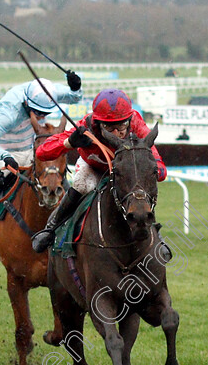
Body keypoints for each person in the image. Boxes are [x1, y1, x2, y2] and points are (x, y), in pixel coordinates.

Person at [31, 88, 167, 253]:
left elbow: (159, 167)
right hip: (94, 167)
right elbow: (42, 152)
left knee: (140, 190)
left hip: (124, 171)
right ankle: (51, 229)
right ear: (98, 123)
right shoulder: (86, 125)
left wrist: (153, 170)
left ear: (129, 119)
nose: (117, 133)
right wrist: (70, 142)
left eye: (121, 125)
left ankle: (155, 235)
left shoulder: (135, 122)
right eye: (109, 128)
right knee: (80, 183)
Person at [0, 71, 83, 231]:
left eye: (45, 113)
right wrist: (4, 156)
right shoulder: (8, 112)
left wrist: (76, 87)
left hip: (32, 144)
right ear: (27, 103)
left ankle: (71, 206)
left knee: (54, 164)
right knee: (4, 171)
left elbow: (74, 97)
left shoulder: (49, 92)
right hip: (7, 149)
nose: (42, 116)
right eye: (38, 112)